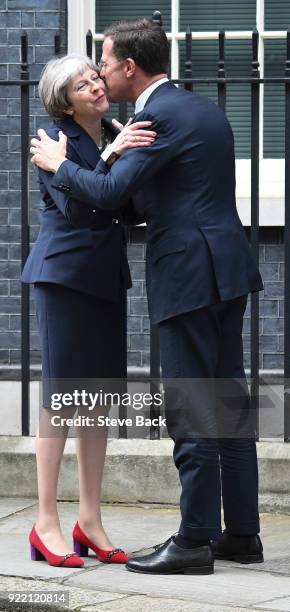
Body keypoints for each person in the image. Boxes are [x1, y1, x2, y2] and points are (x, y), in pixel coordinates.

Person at [30, 19, 264, 575]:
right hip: (228, 268)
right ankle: (242, 534)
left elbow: (112, 195)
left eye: (104, 65)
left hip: (189, 275)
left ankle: (193, 540)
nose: (102, 77)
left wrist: (61, 166)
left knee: (191, 403)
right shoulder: (201, 108)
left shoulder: (153, 117)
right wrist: (103, 154)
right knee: (227, 401)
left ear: (129, 68)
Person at [22, 53, 156, 568]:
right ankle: (45, 523)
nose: (97, 86)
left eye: (95, 77)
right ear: (65, 100)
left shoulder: (115, 131)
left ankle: (90, 520)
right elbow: (80, 208)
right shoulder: (53, 142)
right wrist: (109, 160)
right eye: (82, 85)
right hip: (63, 279)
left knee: (96, 401)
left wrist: (120, 157)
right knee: (61, 401)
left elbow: (126, 207)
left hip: (104, 279)